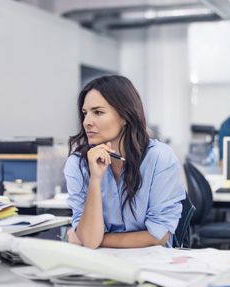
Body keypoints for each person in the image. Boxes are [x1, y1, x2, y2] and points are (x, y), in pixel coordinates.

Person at [64, 75, 185, 249]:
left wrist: (93, 239)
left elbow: (158, 236)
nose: (87, 122)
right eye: (85, 113)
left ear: (125, 116)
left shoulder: (160, 158)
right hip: (101, 264)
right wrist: (95, 180)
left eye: (98, 112)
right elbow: (90, 241)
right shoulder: (78, 164)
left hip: (151, 264)